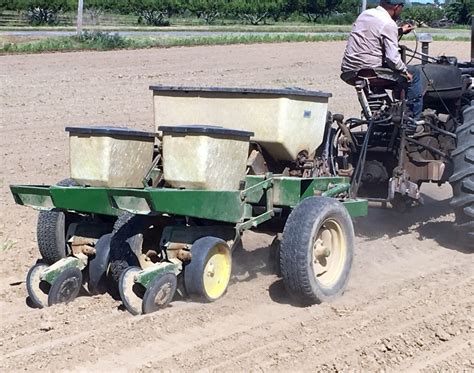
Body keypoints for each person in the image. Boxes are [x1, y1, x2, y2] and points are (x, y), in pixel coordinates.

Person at [341, 0, 423, 119]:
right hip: (370, 72)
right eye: (402, 7)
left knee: (392, 71)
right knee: (414, 74)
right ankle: (413, 121)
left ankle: (383, 113)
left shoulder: (365, 14)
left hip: (349, 70)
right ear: (397, 7)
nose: (402, 10)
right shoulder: (389, 23)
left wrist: (400, 31)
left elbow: (375, 32)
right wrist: (405, 72)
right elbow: (393, 59)